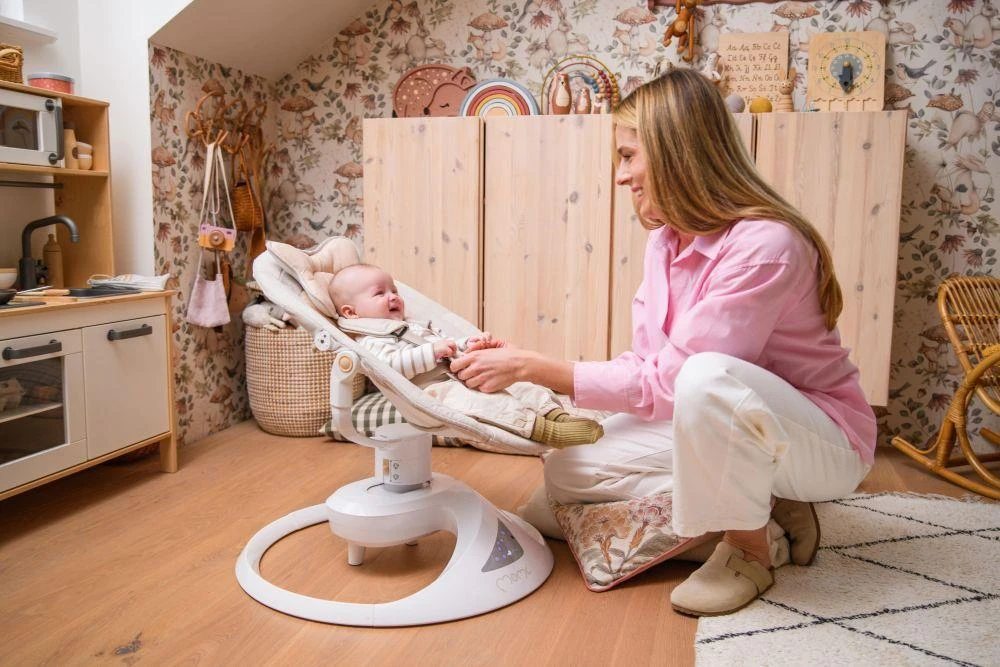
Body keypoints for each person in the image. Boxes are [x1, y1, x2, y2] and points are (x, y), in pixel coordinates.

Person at [449, 68, 875, 616]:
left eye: (629, 156)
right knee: (565, 474)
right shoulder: (667, 240)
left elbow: (677, 381)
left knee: (706, 376)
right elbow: (647, 362)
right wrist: (526, 372)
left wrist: (533, 366)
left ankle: (749, 549)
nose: (620, 175)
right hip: (723, 417)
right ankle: (767, 505)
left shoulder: (766, 246)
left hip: (819, 441)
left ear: (676, 152)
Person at [328, 263, 604, 447]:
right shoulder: (370, 340)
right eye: (380, 293)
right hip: (435, 389)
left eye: (394, 291)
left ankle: (557, 415)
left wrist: (468, 343)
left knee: (518, 385)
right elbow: (390, 368)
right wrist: (431, 352)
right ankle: (549, 432)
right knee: (491, 405)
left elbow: (445, 343)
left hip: (460, 372)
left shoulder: (411, 325)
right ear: (352, 313)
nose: (393, 297)